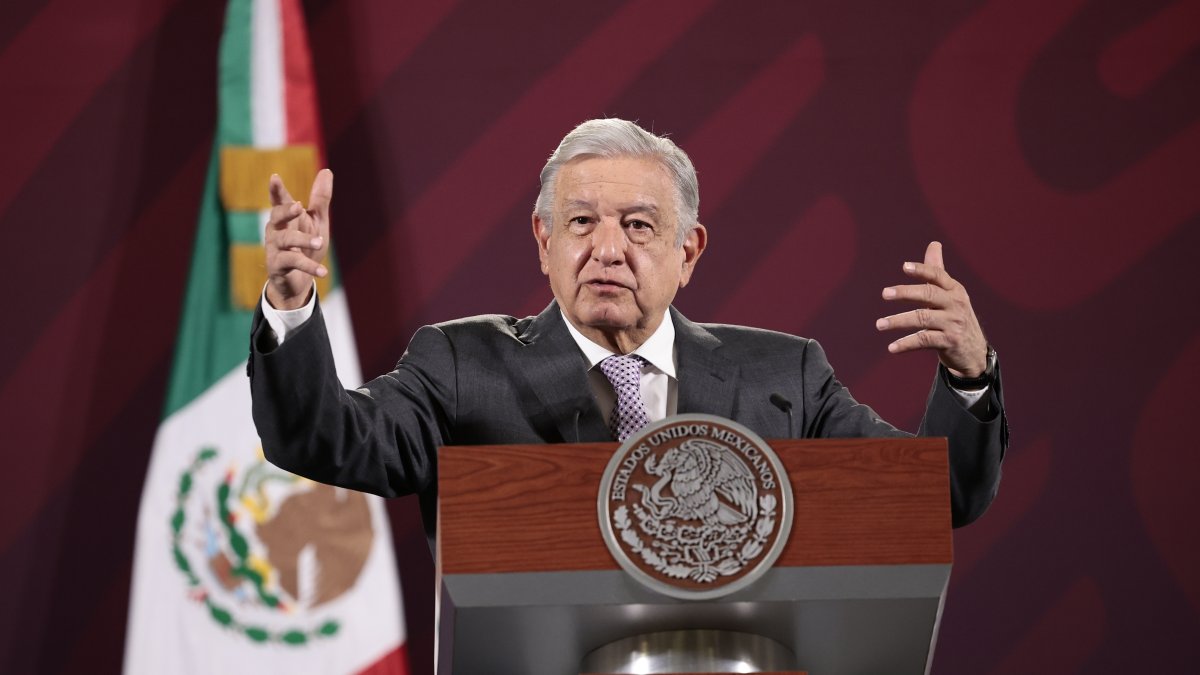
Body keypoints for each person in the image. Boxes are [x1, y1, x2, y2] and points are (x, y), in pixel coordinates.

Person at [249, 119, 1007, 542]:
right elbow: (323, 438)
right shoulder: (460, 364)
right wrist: (290, 301)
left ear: (689, 251)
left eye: (638, 226)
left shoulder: (786, 379)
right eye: (582, 222)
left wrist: (969, 375)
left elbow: (936, 497)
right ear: (545, 241)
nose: (607, 249)